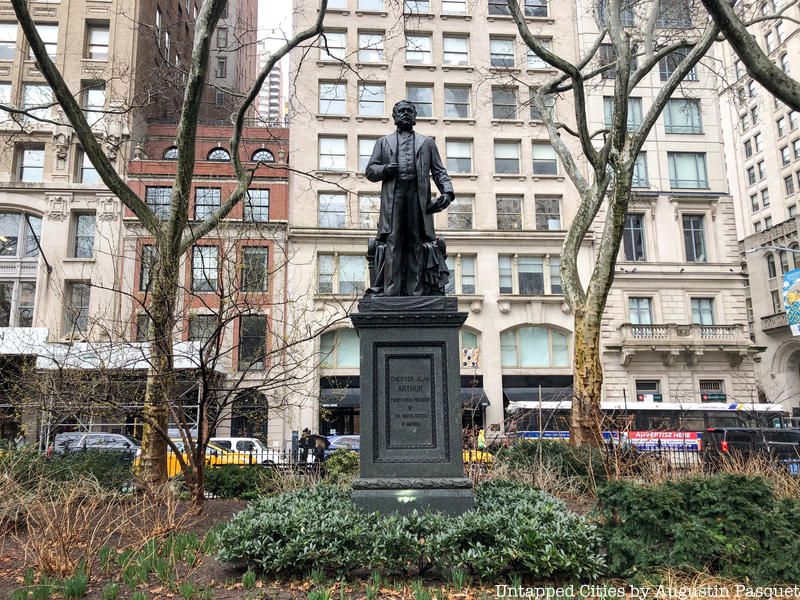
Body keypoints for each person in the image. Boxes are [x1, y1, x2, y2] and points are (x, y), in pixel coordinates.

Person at [365, 100, 454, 296]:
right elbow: (370, 171)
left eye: (409, 111)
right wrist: (386, 169)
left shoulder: (427, 143)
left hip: (417, 197)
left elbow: (439, 172)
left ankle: (416, 291)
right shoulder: (383, 142)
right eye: (401, 111)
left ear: (414, 117)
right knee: (394, 242)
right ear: (394, 116)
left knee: (416, 242)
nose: (405, 114)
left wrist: (447, 192)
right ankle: (391, 291)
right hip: (394, 198)